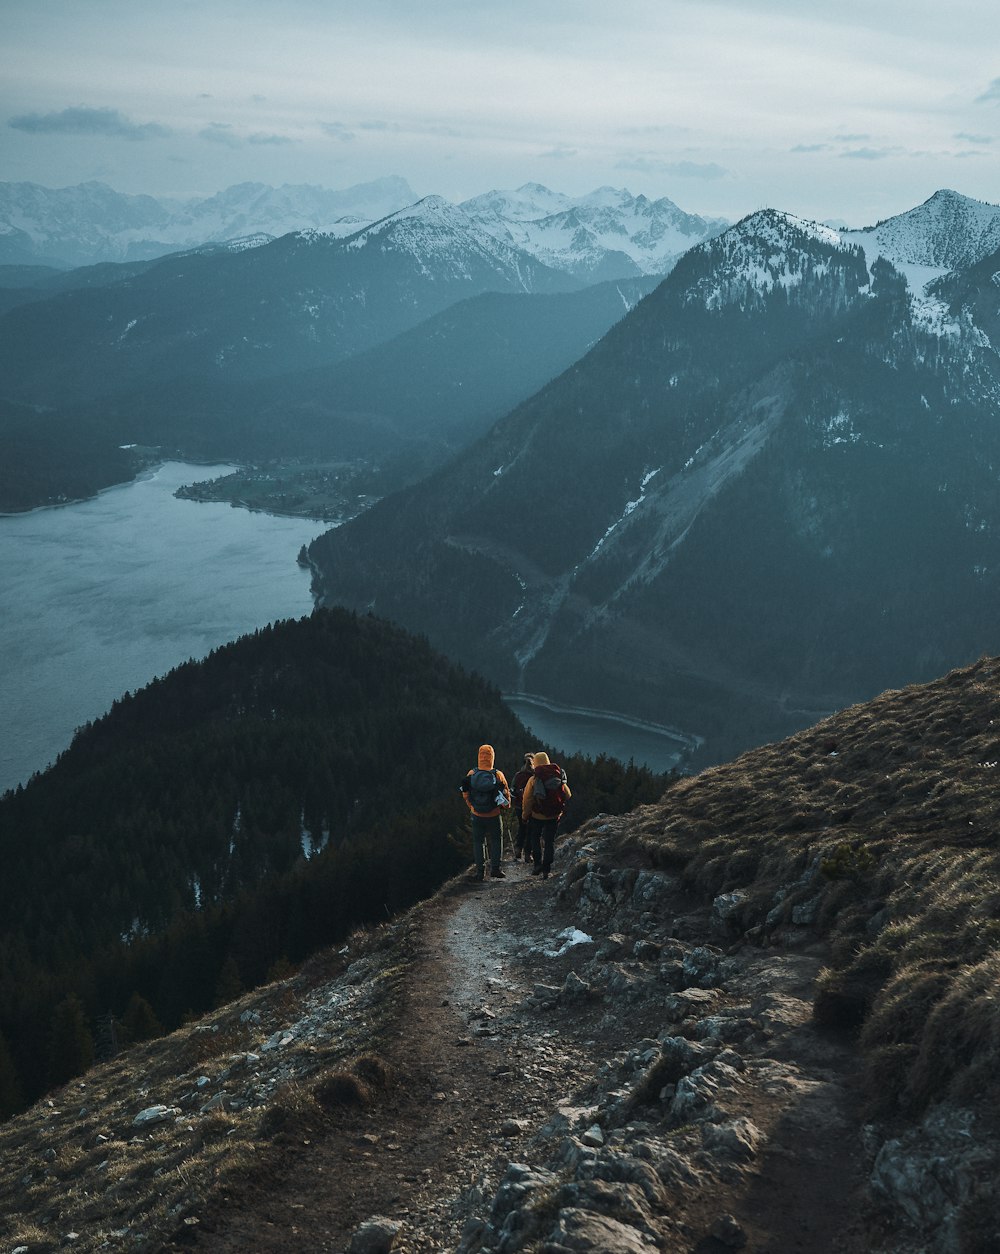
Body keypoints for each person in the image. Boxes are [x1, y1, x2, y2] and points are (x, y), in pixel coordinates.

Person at [460, 744, 511, 881]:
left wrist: (472, 806)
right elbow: (505, 794)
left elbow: (465, 793)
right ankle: (495, 869)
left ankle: (480, 872)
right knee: (496, 840)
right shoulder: (497, 775)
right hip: (494, 814)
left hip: (476, 815)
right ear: (492, 758)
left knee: (478, 842)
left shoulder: (472, 774)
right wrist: (506, 806)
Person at [522, 751, 570, 880]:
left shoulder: (534, 779)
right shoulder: (558, 776)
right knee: (549, 841)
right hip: (553, 816)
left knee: (535, 838)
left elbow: (527, 800)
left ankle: (537, 864)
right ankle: (546, 870)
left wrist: (525, 815)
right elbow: (568, 794)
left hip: (537, 815)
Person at [511, 752, 535, 862]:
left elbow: (512, 791)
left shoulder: (518, 775)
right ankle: (528, 854)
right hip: (532, 807)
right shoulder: (535, 776)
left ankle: (518, 850)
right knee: (531, 830)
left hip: (519, 806)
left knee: (522, 828)